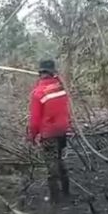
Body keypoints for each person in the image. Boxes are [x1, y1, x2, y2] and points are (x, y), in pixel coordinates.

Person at [28, 59, 71, 203]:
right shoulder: (60, 88)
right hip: (62, 130)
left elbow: (35, 120)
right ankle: (66, 191)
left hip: (49, 134)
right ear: (53, 72)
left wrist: (33, 136)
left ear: (40, 73)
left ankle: (55, 199)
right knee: (59, 159)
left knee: (51, 165)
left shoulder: (38, 93)